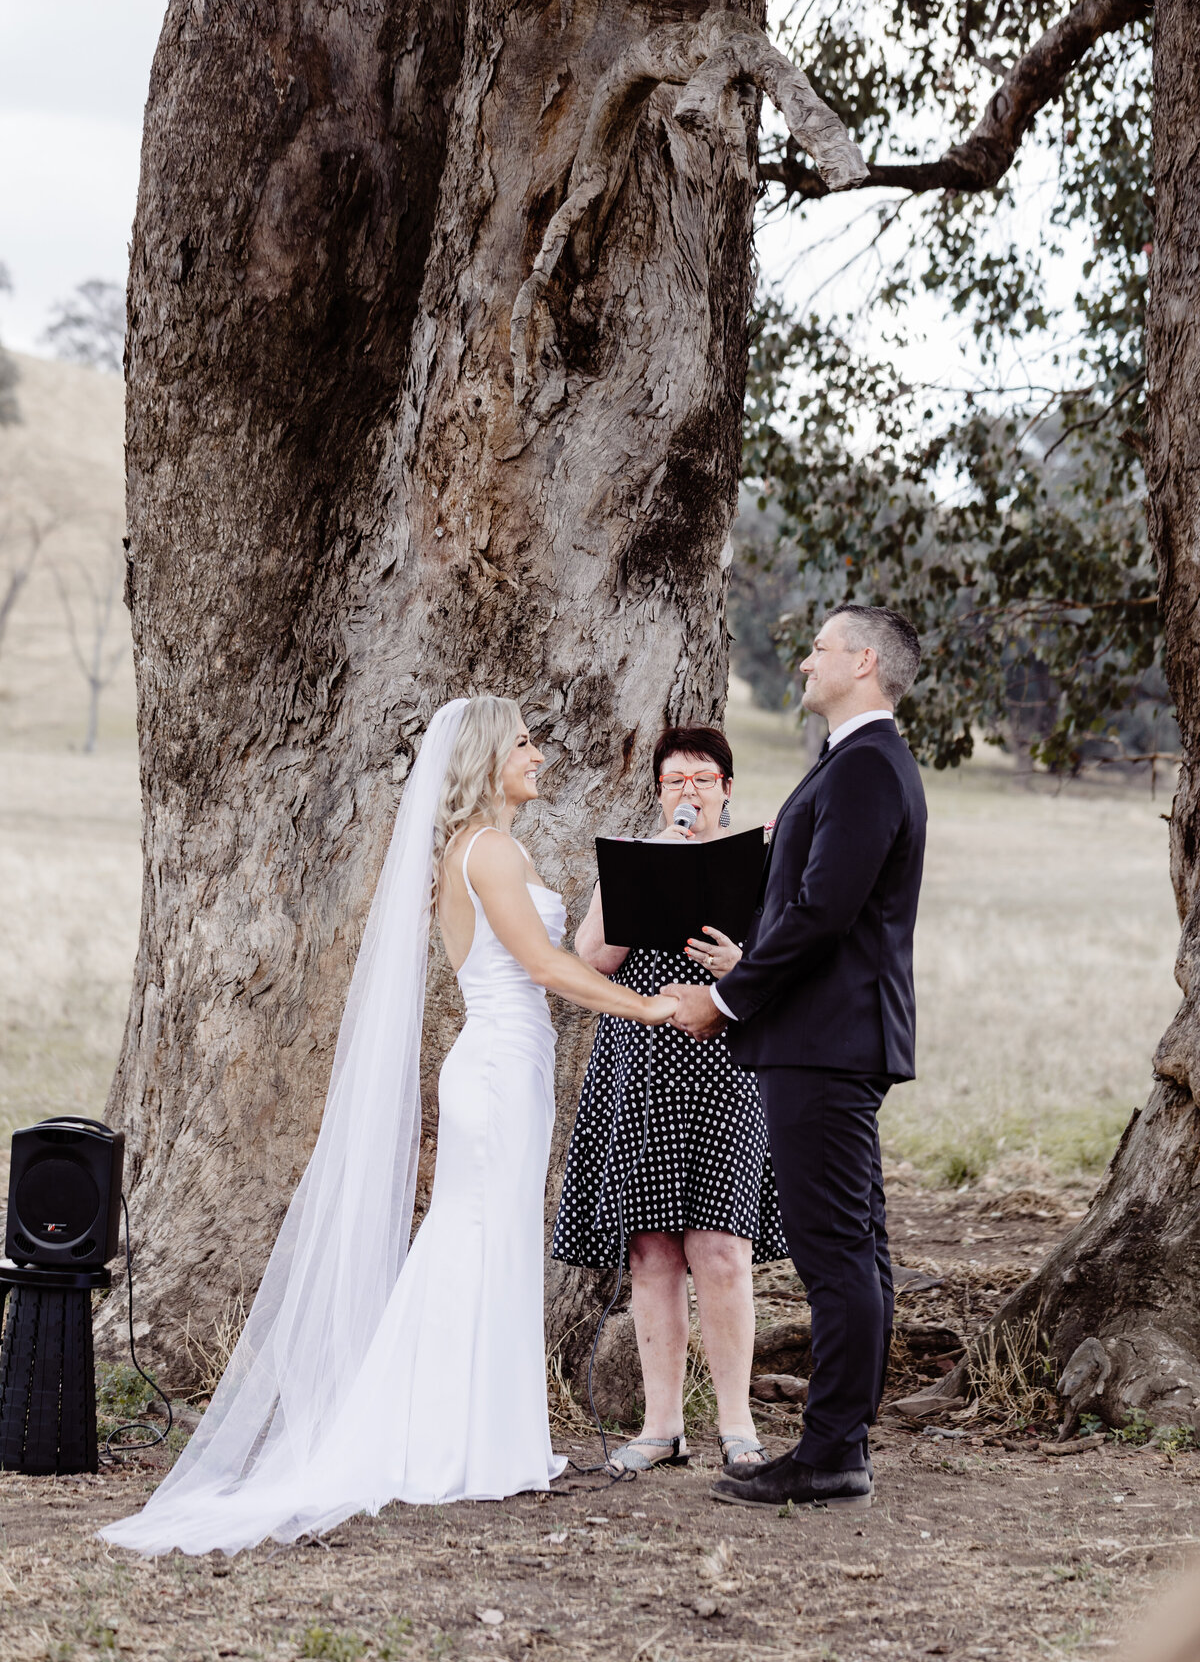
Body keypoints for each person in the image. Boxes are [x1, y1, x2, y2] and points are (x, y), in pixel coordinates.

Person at [98, 697, 677, 1556]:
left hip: (510, 1065)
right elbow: (544, 965)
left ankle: (485, 1437)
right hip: (497, 1064)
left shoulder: (486, 849)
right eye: (524, 743)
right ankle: (443, 1441)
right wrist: (650, 1008)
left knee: (490, 1239)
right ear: (486, 758)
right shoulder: (487, 852)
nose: (539, 755)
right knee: (471, 1239)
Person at [666, 606, 926, 1513]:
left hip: (826, 1044)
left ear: (862, 661)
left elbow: (824, 913)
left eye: (819, 647)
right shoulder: (852, 765)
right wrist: (752, 960)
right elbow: (825, 913)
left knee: (835, 1251)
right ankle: (839, 1443)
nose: (805, 660)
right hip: (830, 1033)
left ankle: (830, 1453)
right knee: (855, 1248)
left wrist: (727, 998)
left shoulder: (864, 767)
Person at [552, 725, 787, 1474]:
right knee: (652, 1251)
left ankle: (738, 1425)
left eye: (702, 778)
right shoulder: (633, 856)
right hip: (642, 1065)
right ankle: (661, 1429)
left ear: (727, 787)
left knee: (720, 1248)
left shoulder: (762, 858)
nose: (689, 792)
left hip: (728, 1065)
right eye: (675, 781)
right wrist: (651, 871)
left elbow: (789, 959)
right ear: (659, 792)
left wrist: (742, 962)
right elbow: (591, 961)